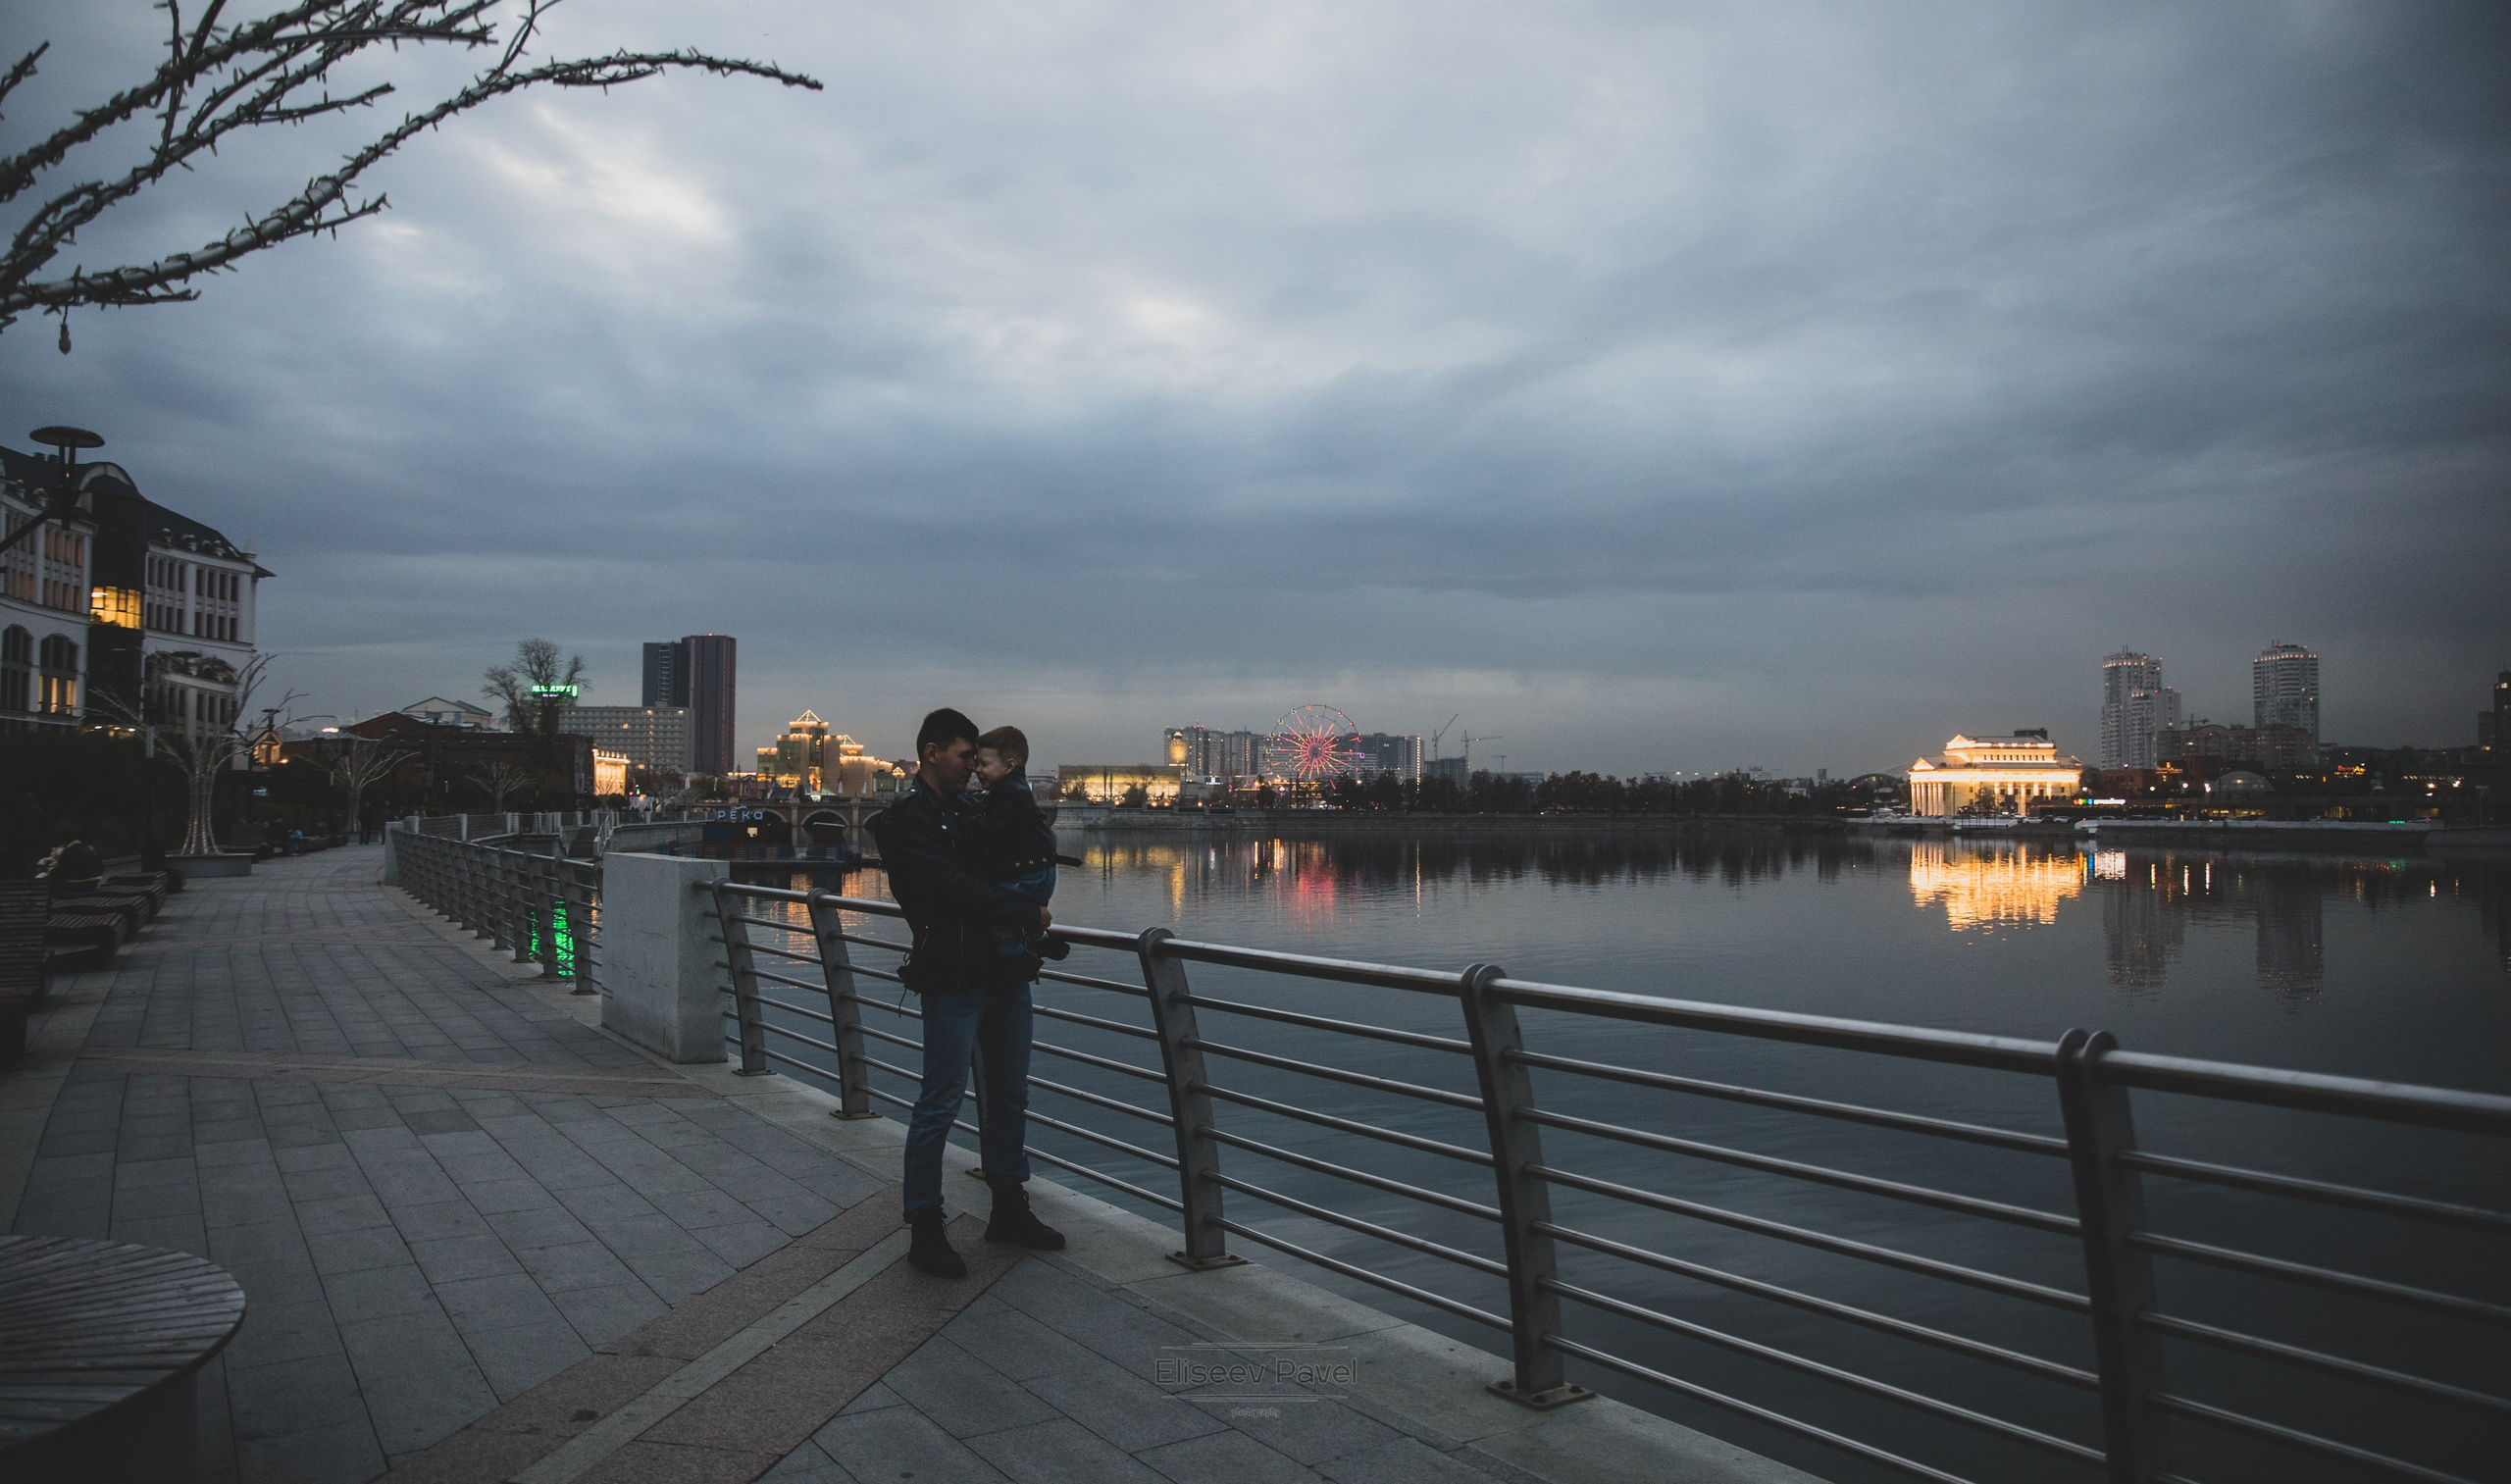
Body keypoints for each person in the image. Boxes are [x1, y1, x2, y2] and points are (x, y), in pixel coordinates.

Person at [870, 707, 1068, 1277]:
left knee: (1009, 1095)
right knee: (940, 1100)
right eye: (964, 756)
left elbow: (1005, 862)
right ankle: (925, 1227)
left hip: (1004, 973)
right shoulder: (904, 821)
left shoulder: (976, 809)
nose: (972, 768)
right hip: (953, 976)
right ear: (932, 752)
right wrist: (1025, 910)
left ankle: (1009, 1206)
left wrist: (1013, 912)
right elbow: (950, 888)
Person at [963, 726, 1068, 963]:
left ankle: (1019, 960)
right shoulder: (1014, 790)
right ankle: (1038, 938)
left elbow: (990, 831)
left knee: (997, 924)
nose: (976, 770)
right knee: (1017, 916)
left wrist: (964, 823)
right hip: (1037, 872)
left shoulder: (1008, 793)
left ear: (1009, 766)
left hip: (1025, 875)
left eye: (984, 764)